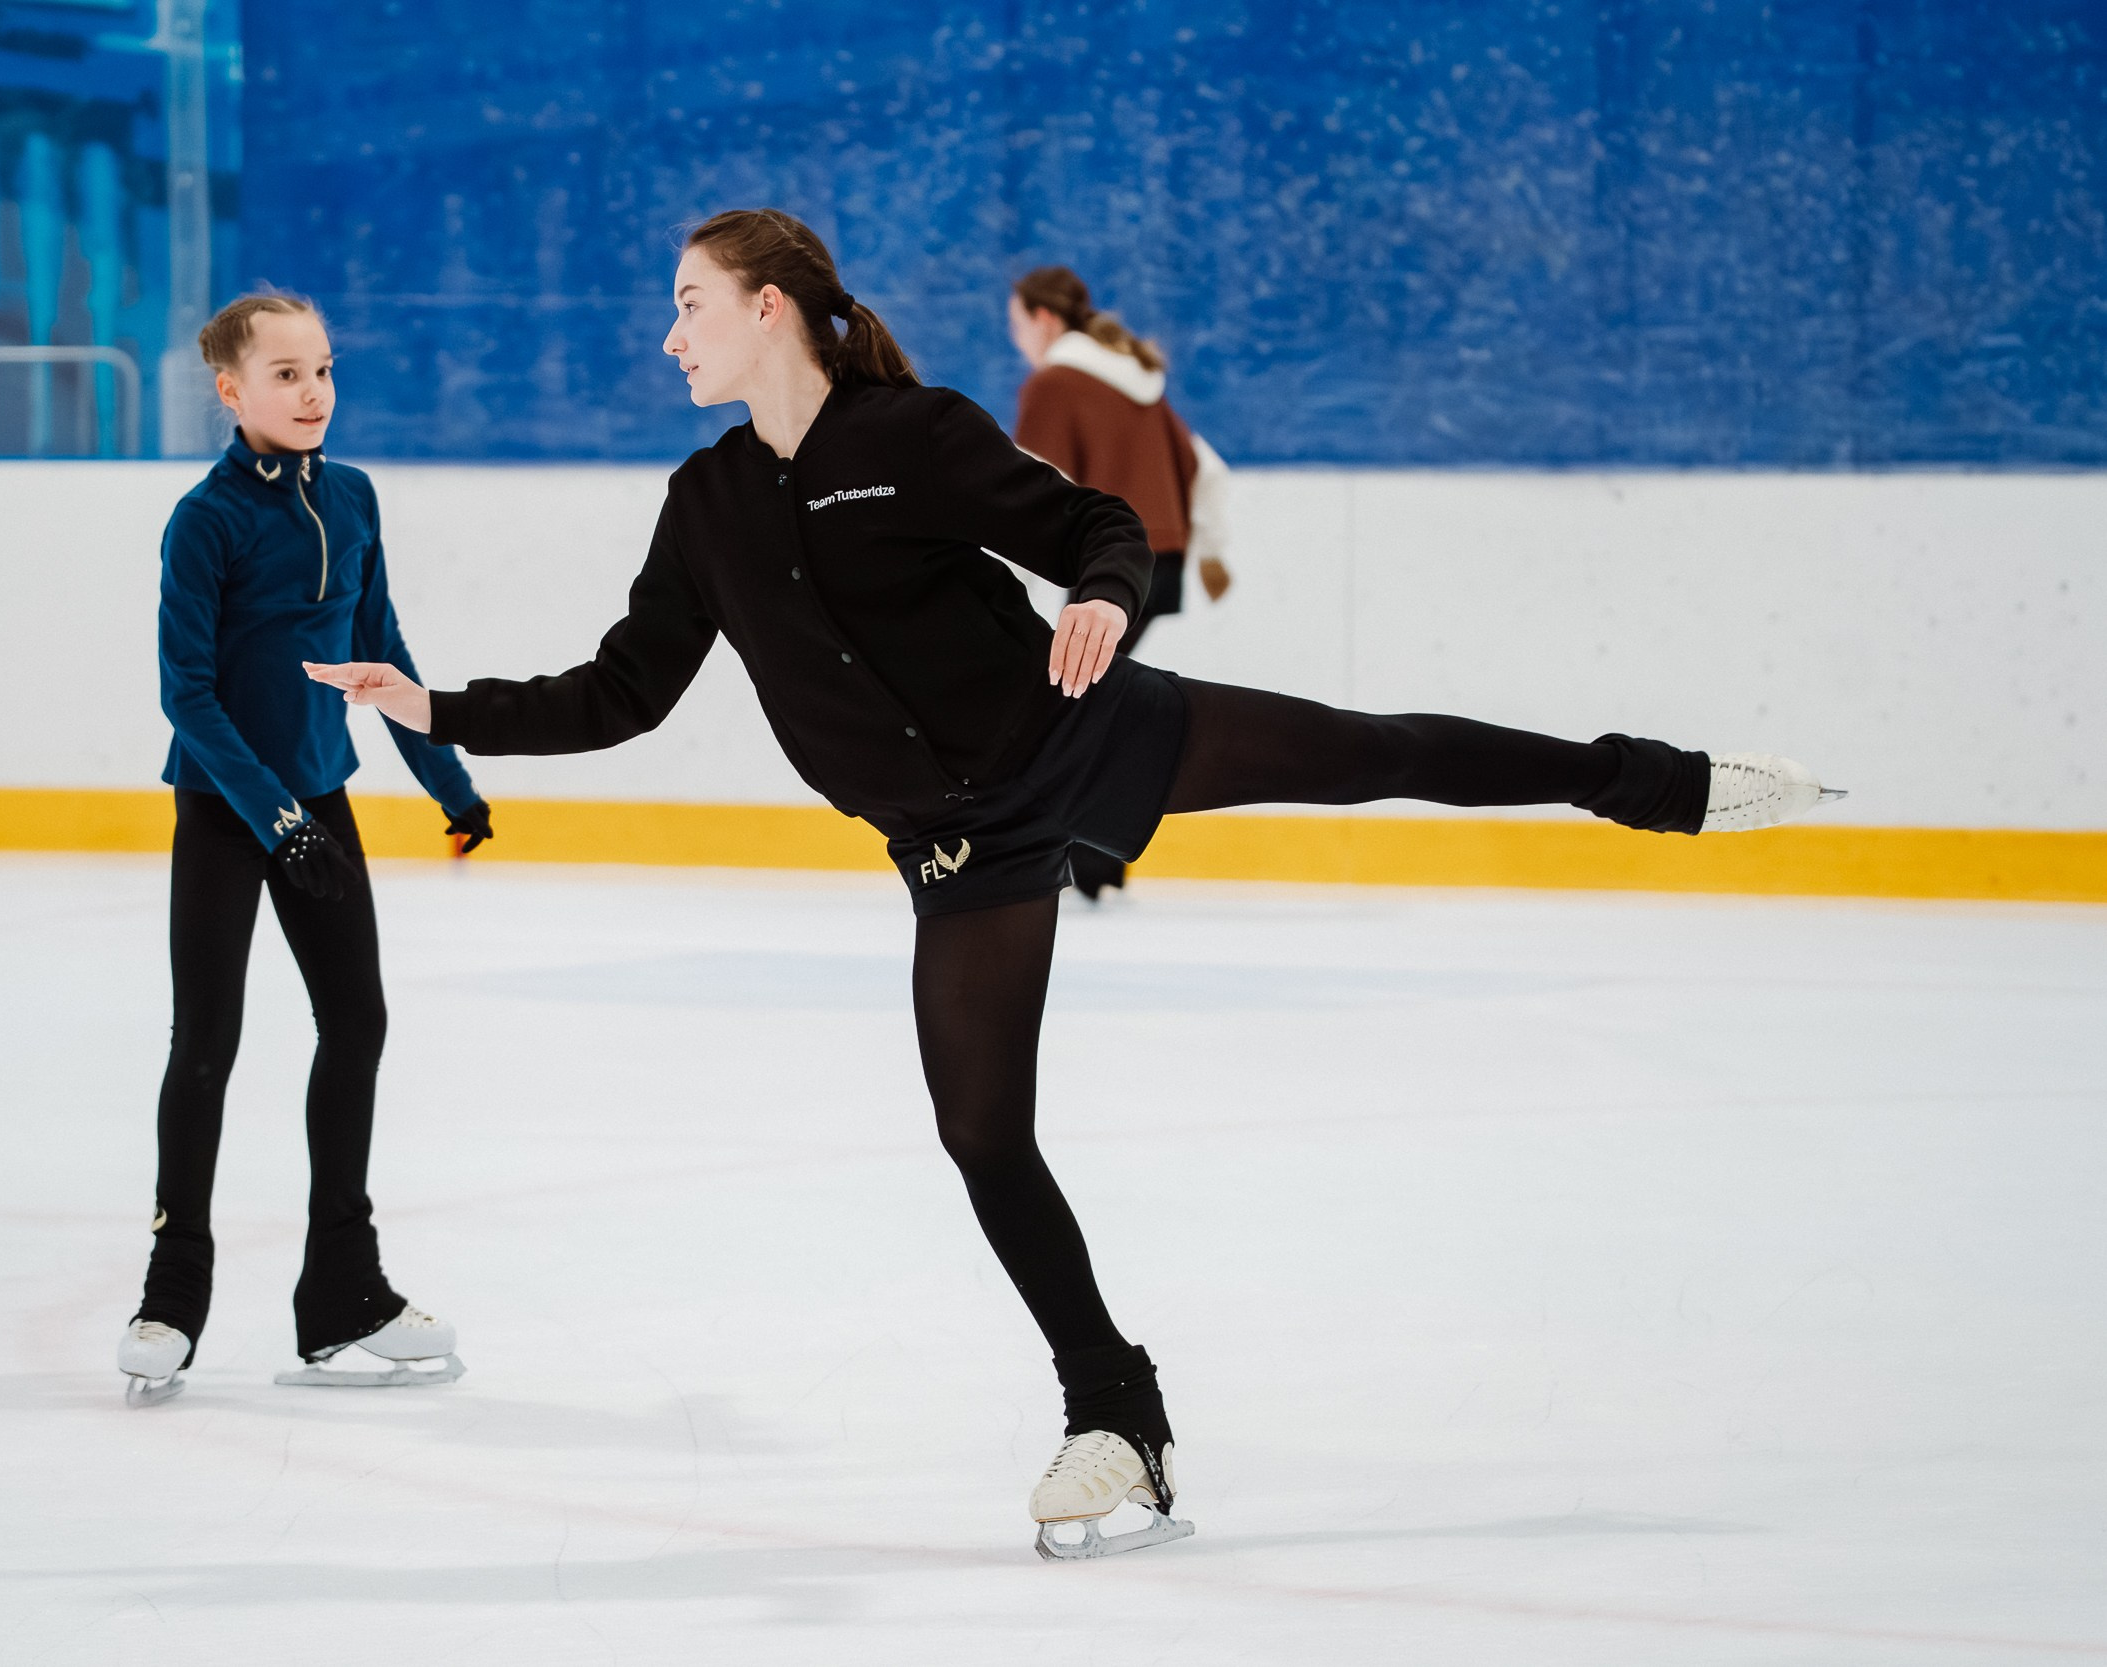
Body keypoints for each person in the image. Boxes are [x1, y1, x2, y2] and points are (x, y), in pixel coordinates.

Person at [301, 210, 1840, 1554]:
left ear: (769, 306)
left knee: (1370, 749)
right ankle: (1119, 1410)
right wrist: (441, 708)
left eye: (688, 305)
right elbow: (621, 691)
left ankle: (1652, 781)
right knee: (982, 1134)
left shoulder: (912, 433)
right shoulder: (705, 504)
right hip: (956, 848)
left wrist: (1104, 597)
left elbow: (1095, 526)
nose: (668, 335)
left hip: (1086, 739)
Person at [116, 291, 493, 1405]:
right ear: (231, 391)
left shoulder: (357, 496)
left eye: (322, 368)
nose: (312, 391)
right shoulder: (206, 519)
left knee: (358, 1020)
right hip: (229, 808)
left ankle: (342, 1290)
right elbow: (187, 693)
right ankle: (171, 1291)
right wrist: (273, 818)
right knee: (207, 1038)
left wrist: (450, 780)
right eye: (284, 374)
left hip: (320, 800)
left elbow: (380, 649)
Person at [1008, 265, 1234, 902]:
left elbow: (1026, 486)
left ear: (1045, 320)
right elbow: (1206, 468)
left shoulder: (1054, 383)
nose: (1018, 340)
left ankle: (1089, 854)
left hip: (1109, 571)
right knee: (1086, 703)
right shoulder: (1139, 381)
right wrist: (1212, 554)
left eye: (1018, 325)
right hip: (1156, 565)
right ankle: (1096, 860)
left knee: (1071, 705)